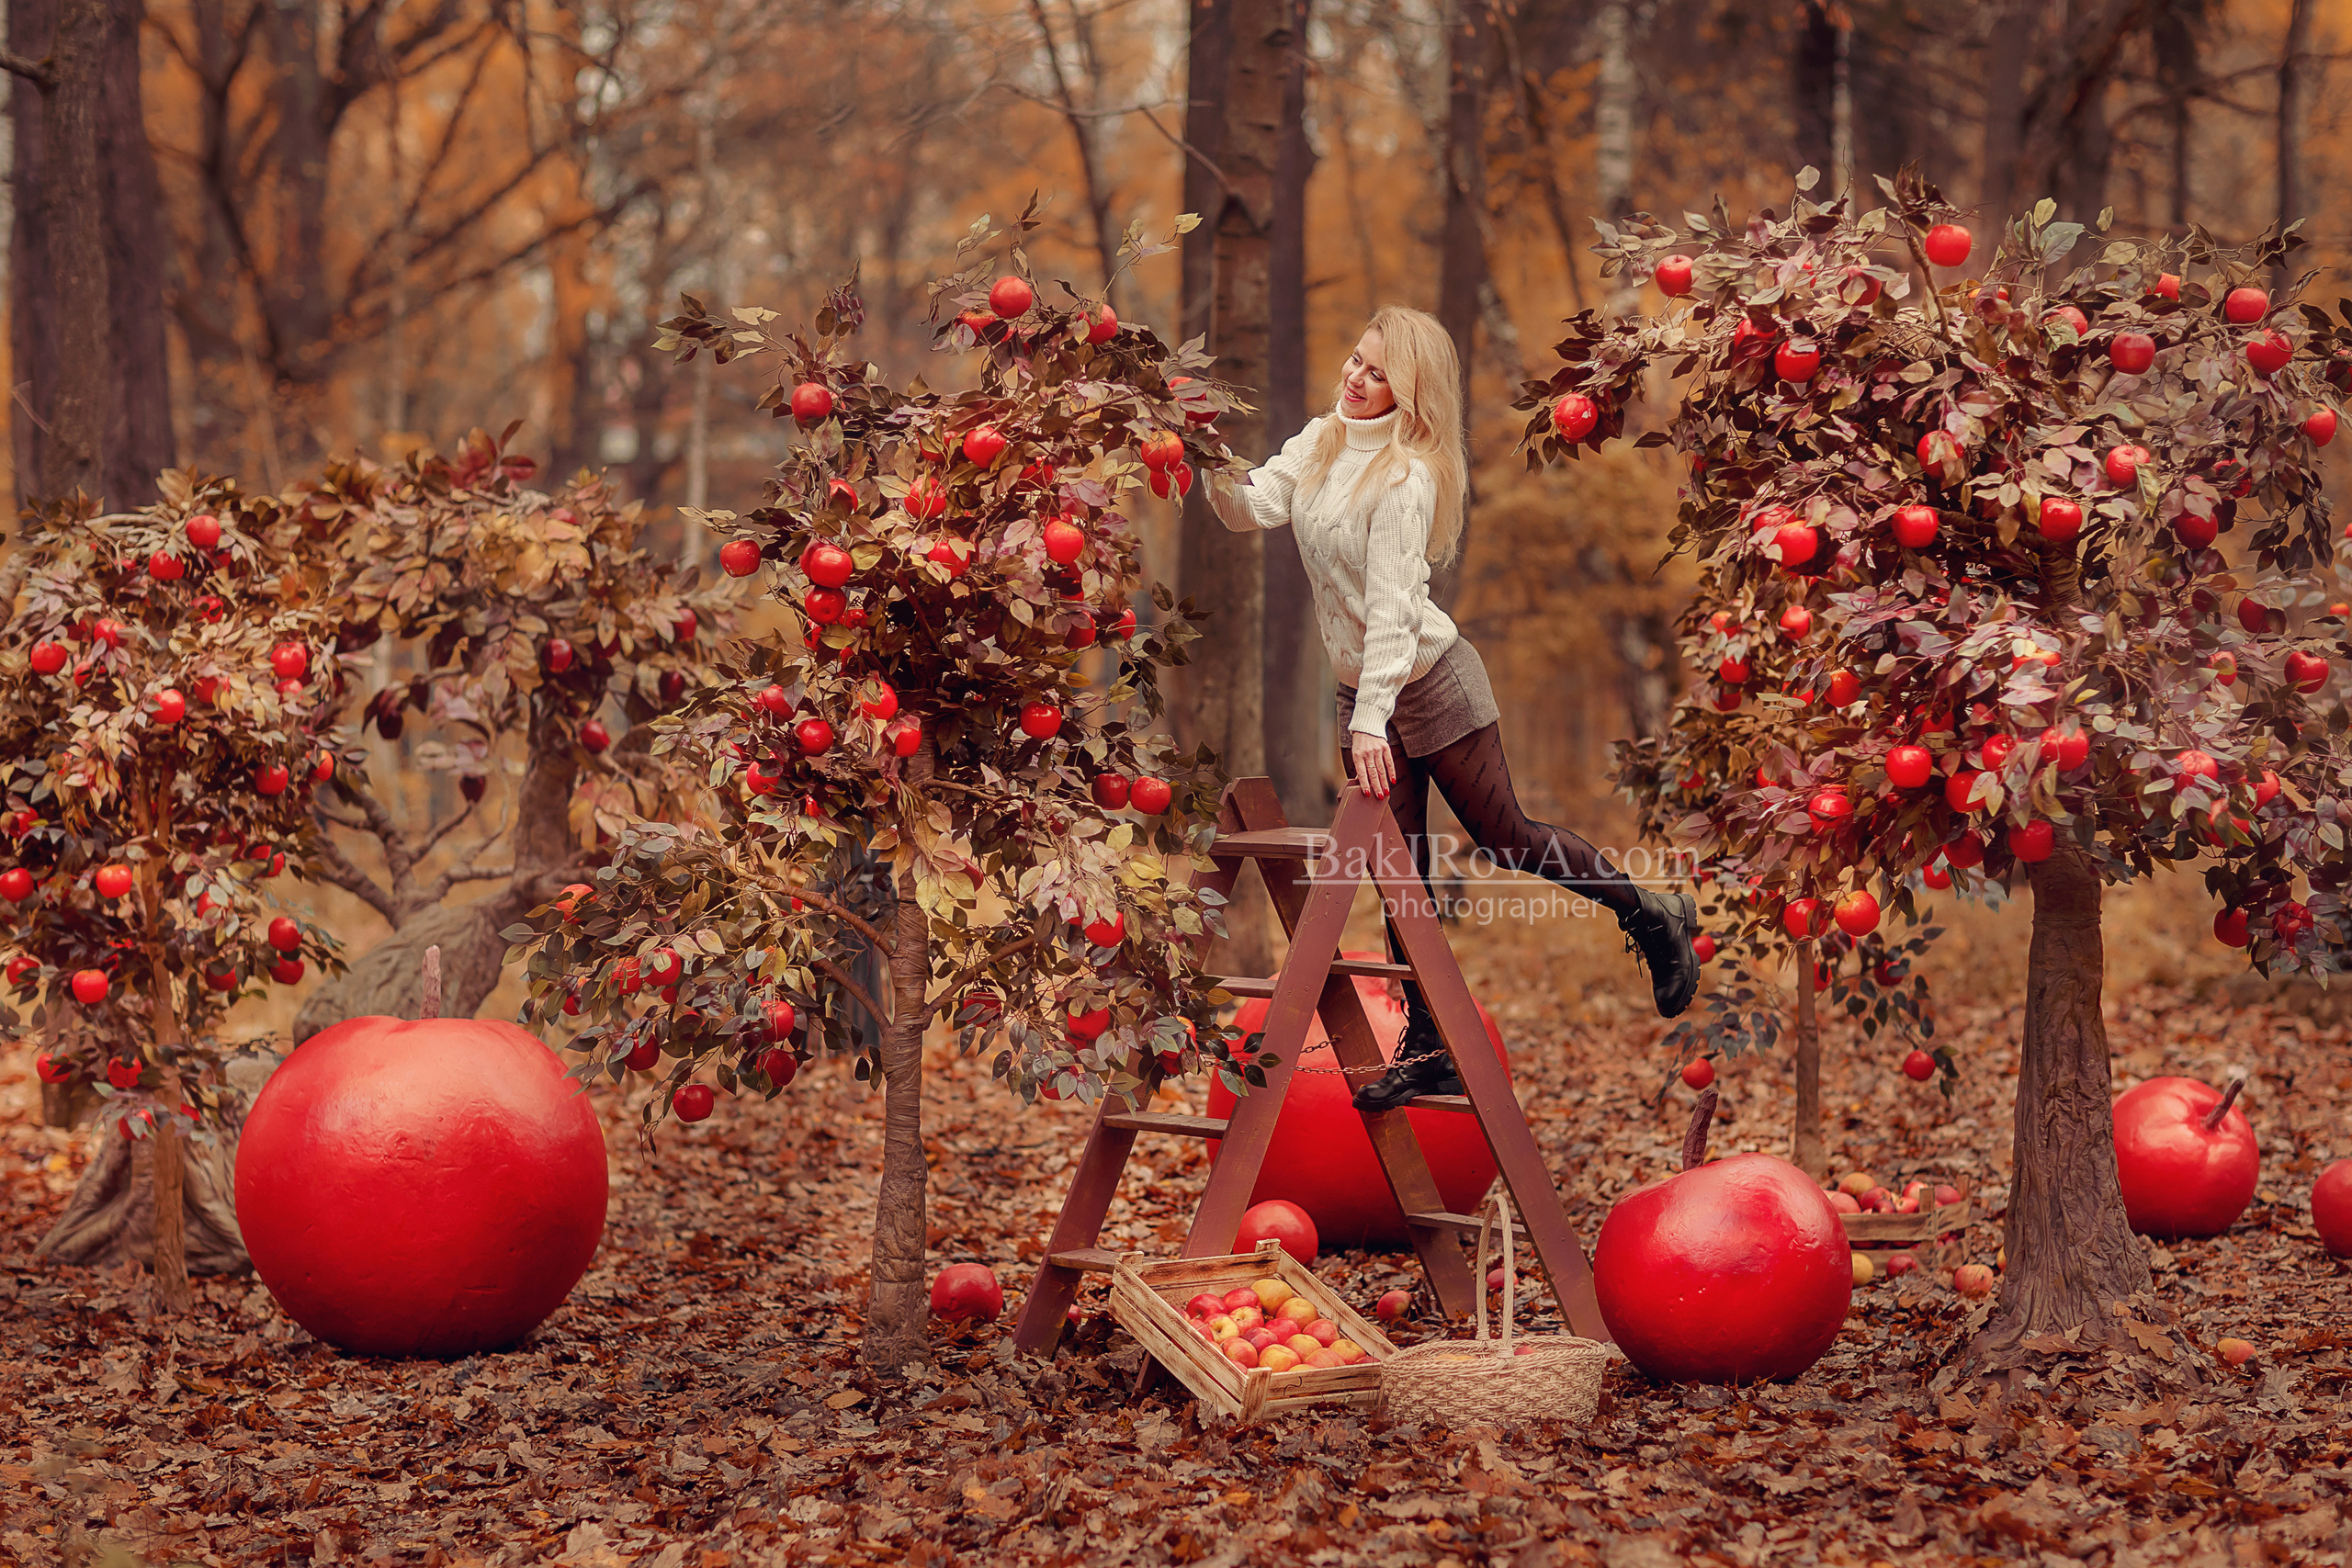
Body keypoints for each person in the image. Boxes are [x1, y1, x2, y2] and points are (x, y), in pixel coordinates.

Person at [1208, 304, 1699, 1111]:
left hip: (1431, 681)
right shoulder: (1322, 440)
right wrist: (1199, 451)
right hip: (1365, 693)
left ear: (1411, 392)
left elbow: (1395, 613)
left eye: (1379, 374)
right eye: (1357, 360)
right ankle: (1429, 1040)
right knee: (1400, 870)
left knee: (1506, 836)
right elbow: (1250, 506)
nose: (1356, 379)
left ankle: (1651, 913)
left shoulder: (1405, 476)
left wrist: (1371, 720)